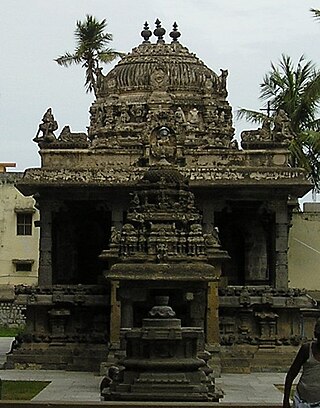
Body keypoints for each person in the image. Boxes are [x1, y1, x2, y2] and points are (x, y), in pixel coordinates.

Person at [283, 319, 320, 408]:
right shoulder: (307, 349)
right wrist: (286, 400)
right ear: (316, 334)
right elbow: (291, 374)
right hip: (302, 401)